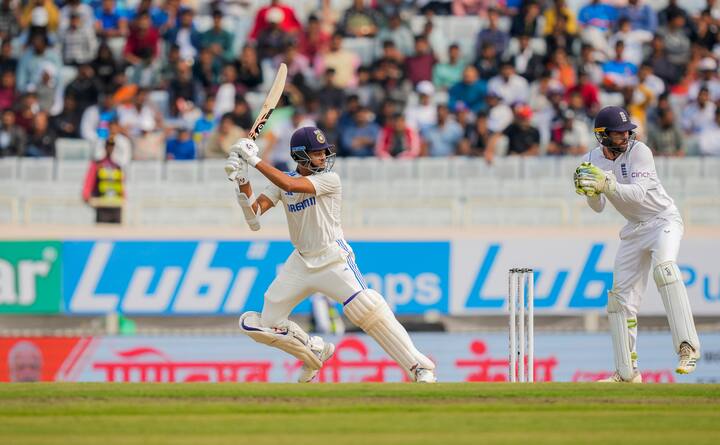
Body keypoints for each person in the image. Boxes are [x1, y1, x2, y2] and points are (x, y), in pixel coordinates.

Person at [224, 127, 436, 383]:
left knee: (367, 308)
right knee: (264, 323)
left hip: (333, 258)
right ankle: (314, 351)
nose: (323, 157)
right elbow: (254, 217)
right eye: (316, 153)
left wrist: (254, 160)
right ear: (300, 156)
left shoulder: (329, 180)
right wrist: (242, 179)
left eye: (324, 152)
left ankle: (418, 367)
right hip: (301, 262)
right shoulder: (280, 183)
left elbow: (290, 183)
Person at [573, 106, 700, 383]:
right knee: (620, 299)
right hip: (634, 230)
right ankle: (626, 371)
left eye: (627, 131)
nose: (625, 136)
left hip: (663, 219)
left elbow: (639, 196)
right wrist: (591, 191)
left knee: (665, 270)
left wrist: (605, 183)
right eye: (618, 133)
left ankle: (687, 347)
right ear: (602, 135)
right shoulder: (590, 160)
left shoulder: (640, 152)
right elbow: (597, 207)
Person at [82, 135, 124, 224]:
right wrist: (86, 194)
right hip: (101, 204)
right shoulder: (97, 164)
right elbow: (89, 181)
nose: (110, 148)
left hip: (116, 205)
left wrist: (123, 197)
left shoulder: (117, 166)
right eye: (108, 146)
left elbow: (121, 184)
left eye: (112, 146)